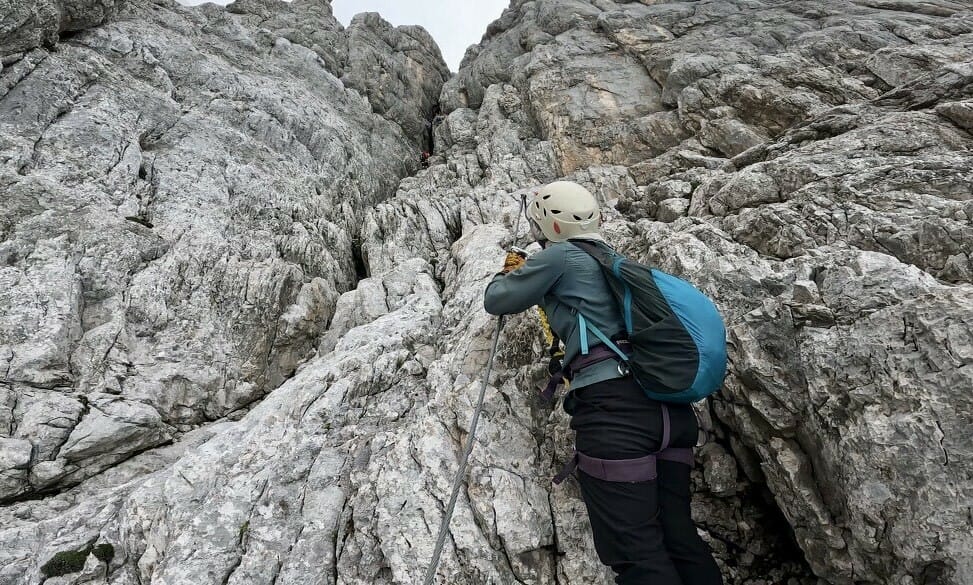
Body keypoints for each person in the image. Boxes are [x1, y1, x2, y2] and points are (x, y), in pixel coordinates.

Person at [483, 181, 723, 585]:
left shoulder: (558, 256)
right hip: (671, 411)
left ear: (550, 225)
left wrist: (512, 270)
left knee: (638, 554)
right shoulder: (615, 262)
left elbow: (497, 299)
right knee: (680, 538)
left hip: (616, 416)